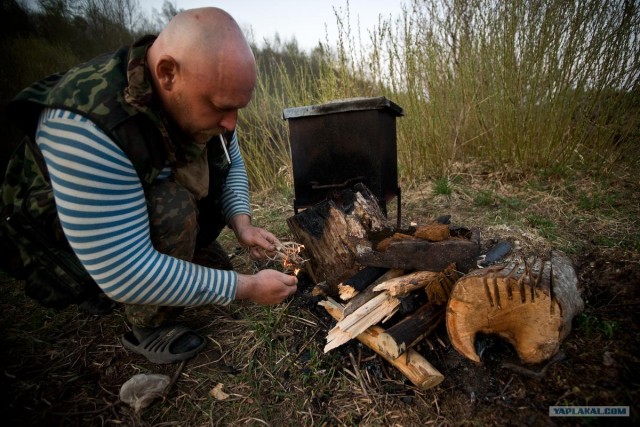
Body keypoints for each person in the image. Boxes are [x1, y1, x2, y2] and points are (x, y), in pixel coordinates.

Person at [0, 7, 298, 364]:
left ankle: (174, 269)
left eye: (237, 109)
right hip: (63, 248)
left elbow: (228, 157)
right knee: (173, 213)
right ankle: (147, 326)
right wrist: (246, 288)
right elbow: (126, 271)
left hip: (130, 209)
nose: (231, 122)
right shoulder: (86, 126)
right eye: (222, 107)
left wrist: (242, 222)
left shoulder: (200, 99)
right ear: (167, 73)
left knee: (214, 270)